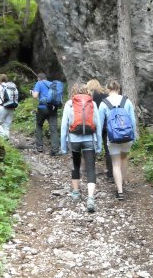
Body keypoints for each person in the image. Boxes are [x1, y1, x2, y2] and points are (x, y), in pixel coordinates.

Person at [60, 83, 102, 212]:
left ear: (73, 91)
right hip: (90, 139)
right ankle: (90, 197)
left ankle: (76, 192)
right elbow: (98, 126)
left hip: (74, 140)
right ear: (86, 91)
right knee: (90, 168)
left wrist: (63, 146)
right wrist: (99, 145)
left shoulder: (70, 103)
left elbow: (64, 126)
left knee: (76, 164)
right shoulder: (92, 104)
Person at [98, 80, 137, 201]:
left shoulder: (104, 103)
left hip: (113, 137)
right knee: (124, 158)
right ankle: (123, 181)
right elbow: (132, 120)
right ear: (119, 89)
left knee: (115, 164)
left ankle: (119, 191)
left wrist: (98, 141)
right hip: (127, 136)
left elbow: (99, 124)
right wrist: (134, 135)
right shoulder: (127, 101)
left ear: (107, 90)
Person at [86, 79, 114, 183]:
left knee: (91, 147)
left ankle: (90, 170)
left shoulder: (91, 96)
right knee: (108, 150)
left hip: (95, 124)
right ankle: (110, 174)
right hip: (108, 124)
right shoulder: (106, 95)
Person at [31, 72, 60, 156]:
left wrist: (32, 92)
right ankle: (55, 149)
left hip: (43, 108)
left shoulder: (39, 83)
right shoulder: (52, 84)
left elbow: (35, 96)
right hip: (53, 108)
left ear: (39, 78)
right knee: (53, 129)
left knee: (39, 125)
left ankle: (39, 146)